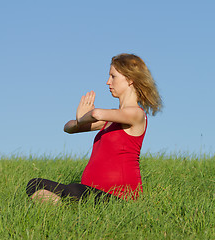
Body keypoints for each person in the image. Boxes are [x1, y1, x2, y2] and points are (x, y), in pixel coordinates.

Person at [26, 53, 162, 204]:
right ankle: (67, 208)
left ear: (130, 79)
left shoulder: (136, 114)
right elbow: (68, 128)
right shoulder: (111, 120)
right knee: (35, 184)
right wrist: (80, 121)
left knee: (74, 190)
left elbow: (97, 113)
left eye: (113, 76)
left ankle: (69, 206)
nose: (108, 82)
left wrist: (83, 117)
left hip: (120, 198)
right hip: (91, 192)